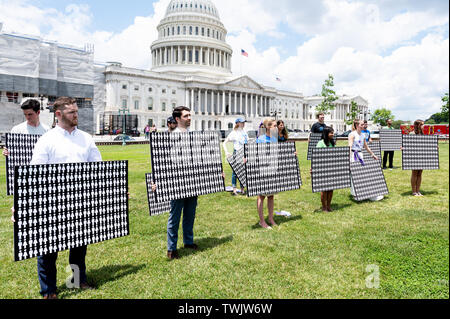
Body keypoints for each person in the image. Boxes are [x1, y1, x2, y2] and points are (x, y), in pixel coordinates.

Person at [24, 97, 102, 299]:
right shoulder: (47, 140)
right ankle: (49, 291)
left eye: (76, 111)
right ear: (58, 114)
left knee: (78, 245)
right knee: (48, 249)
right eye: (71, 112)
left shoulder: (86, 137)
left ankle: (76, 281)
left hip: (79, 201)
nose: (76, 115)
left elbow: (98, 167)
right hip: (53, 201)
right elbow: (35, 174)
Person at [166, 106, 199, 259]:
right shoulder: (172, 137)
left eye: (190, 115)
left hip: (192, 180)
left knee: (190, 214)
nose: (189, 118)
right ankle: (171, 248)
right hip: (177, 181)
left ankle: (188, 241)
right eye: (186, 116)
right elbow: (164, 162)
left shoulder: (193, 135)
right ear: (178, 119)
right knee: (175, 215)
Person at [254, 119, 279, 229]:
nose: (276, 127)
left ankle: (270, 218)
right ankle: (262, 221)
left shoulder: (274, 139)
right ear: (268, 127)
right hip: (263, 170)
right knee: (261, 196)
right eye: (274, 126)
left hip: (272, 169)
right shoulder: (261, 139)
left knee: (271, 196)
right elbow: (256, 154)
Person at [349, 119, 380, 201]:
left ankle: (361, 192)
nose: (364, 126)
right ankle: (355, 194)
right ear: (357, 125)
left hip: (360, 154)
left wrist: (372, 154)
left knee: (361, 174)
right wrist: (348, 157)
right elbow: (350, 146)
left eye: (363, 124)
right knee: (354, 174)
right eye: (362, 124)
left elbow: (366, 147)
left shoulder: (363, 135)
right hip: (353, 155)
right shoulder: (352, 134)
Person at [223, 118, 248, 196]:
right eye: (242, 122)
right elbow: (224, 143)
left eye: (244, 122)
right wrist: (227, 152)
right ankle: (234, 190)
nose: (244, 124)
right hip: (236, 153)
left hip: (244, 154)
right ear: (238, 123)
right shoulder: (234, 133)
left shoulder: (245, 133)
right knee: (235, 172)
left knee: (243, 172)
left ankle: (242, 189)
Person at [316, 126, 336, 212]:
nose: (333, 134)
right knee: (324, 189)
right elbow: (316, 156)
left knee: (331, 188)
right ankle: (324, 207)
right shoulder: (320, 143)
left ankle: (328, 205)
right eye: (331, 133)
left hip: (331, 168)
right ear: (326, 134)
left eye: (333, 132)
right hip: (322, 168)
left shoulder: (332, 143)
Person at [410, 120, 425, 196]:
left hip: (421, 156)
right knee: (414, 173)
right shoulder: (412, 134)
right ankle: (414, 191)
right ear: (418, 125)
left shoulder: (422, 134)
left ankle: (418, 191)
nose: (423, 126)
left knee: (420, 173)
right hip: (414, 156)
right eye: (422, 125)